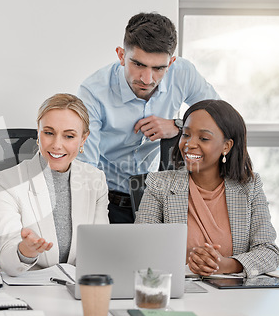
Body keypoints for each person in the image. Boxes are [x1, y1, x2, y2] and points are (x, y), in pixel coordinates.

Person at [77, 12, 219, 224]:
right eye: (138, 64)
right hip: (109, 201)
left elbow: (219, 115)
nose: (147, 79)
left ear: (171, 62)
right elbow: (85, 166)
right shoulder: (93, 92)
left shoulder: (183, 73)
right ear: (121, 55)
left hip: (161, 198)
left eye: (158, 68)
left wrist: (178, 126)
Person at [135, 99, 279, 278]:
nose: (190, 144)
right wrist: (190, 260)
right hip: (178, 291)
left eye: (203, 138)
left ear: (226, 146)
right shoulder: (159, 184)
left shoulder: (250, 186)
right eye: (186, 135)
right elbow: (141, 248)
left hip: (234, 295)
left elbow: (269, 251)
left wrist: (225, 264)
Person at [0, 93, 109, 276]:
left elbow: (100, 247)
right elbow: (7, 262)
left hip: (73, 290)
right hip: (22, 288)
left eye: (69, 136)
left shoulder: (96, 180)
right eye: (49, 133)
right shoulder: (6, 182)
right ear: (38, 132)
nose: (57, 145)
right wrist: (26, 251)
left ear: (83, 139)